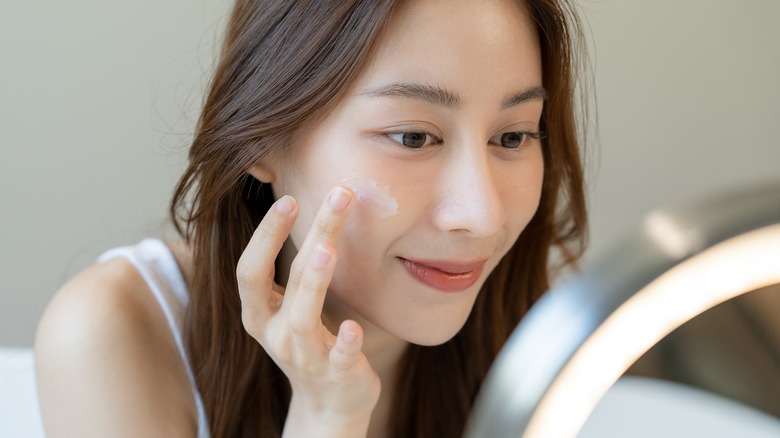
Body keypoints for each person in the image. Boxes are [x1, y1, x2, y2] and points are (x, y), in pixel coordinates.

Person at [34, 0, 588, 436]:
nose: (482, 215)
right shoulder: (113, 332)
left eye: (512, 136)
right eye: (413, 136)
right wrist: (327, 418)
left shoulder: (534, 336)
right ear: (262, 136)